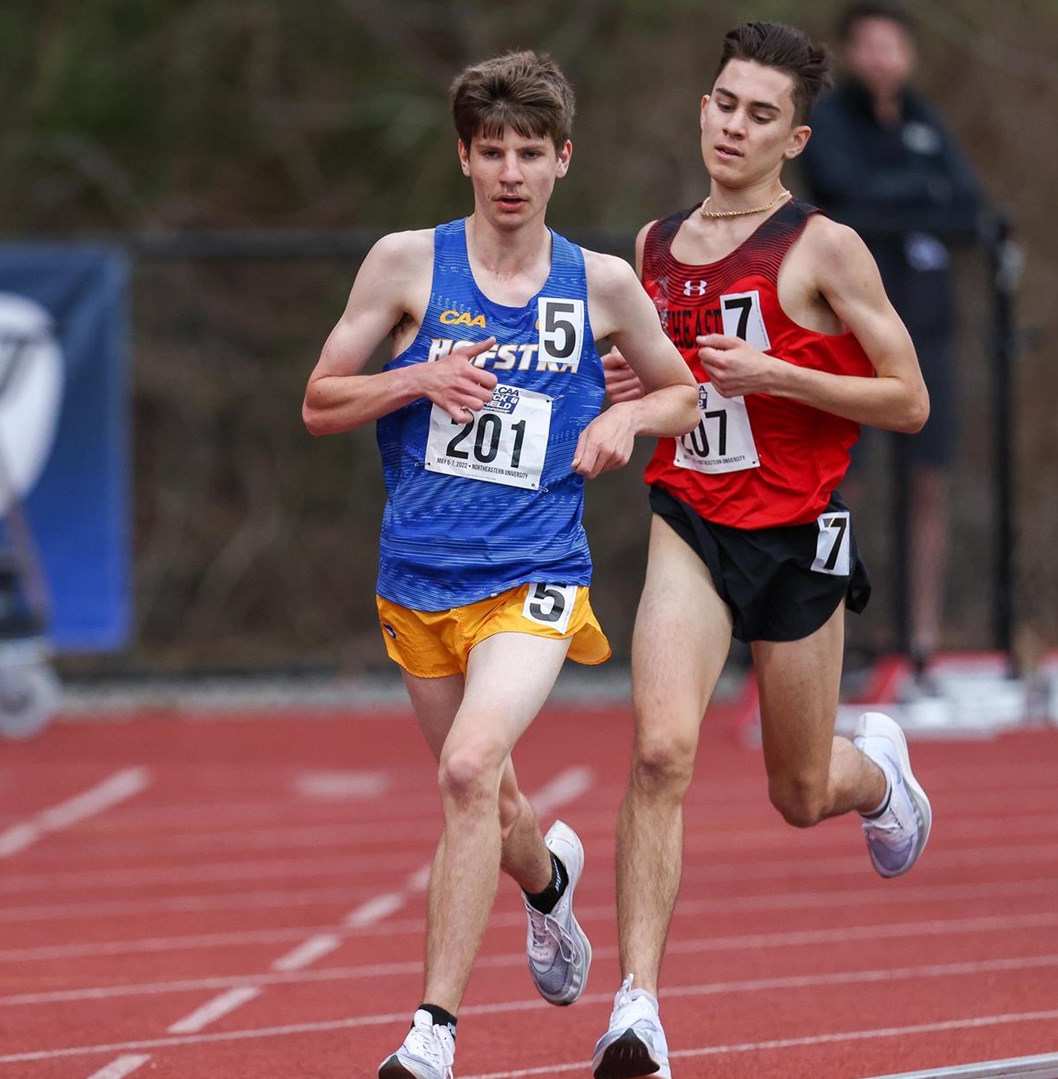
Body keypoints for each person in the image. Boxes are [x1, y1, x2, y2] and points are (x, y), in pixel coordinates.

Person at [301, 50, 699, 1079]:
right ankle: (549, 885)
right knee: (498, 804)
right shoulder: (406, 265)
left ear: (563, 158)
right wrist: (416, 378)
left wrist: (623, 420)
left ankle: (431, 1031)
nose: (510, 172)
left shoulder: (600, 282)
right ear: (464, 158)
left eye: (530, 152)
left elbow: (683, 393)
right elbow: (320, 401)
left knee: (468, 768)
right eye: (491, 152)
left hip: (536, 573)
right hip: (419, 578)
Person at [593, 22, 932, 1078]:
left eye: (761, 115)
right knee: (661, 750)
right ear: (703, 109)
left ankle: (875, 778)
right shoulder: (653, 247)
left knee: (798, 791)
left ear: (795, 139)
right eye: (725, 104)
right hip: (690, 520)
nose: (735, 127)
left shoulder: (824, 246)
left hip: (796, 533)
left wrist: (780, 374)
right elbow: (659, 380)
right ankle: (636, 1009)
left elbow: (909, 400)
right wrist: (628, 386)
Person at [800, 1, 988, 666]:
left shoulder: (926, 119)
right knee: (844, 478)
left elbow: (970, 207)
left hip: (927, 327)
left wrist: (903, 199)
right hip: (848, 330)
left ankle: (921, 632)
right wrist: (921, 195)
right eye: (871, 45)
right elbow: (842, 196)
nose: (883, 59)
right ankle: (836, 624)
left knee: (928, 479)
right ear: (852, 52)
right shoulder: (829, 121)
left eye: (894, 46)